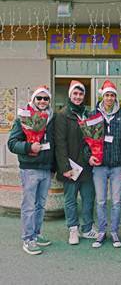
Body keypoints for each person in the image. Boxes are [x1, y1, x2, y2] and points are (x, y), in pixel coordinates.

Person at [8, 85, 55, 255]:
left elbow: (54, 144)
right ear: (33, 100)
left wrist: (54, 166)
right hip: (30, 169)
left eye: (46, 98)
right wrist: (29, 147)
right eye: (39, 98)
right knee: (29, 205)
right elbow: (12, 143)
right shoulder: (23, 118)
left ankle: (36, 233)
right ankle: (28, 239)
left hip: (46, 168)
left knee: (40, 205)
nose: (42, 101)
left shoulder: (51, 118)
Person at [55, 80, 98, 245]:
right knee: (71, 199)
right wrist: (65, 167)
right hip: (71, 167)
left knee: (88, 198)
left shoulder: (88, 114)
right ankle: (73, 229)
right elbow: (60, 143)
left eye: (81, 94)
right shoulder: (62, 115)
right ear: (70, 95)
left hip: (86, 166)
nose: (78, 97)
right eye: (75, 94)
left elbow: (92, 140)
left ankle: (87, 228)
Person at [91, 80, 121, 248]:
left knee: (115, 201)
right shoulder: (94, 114)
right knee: (100, 201)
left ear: (115, 97)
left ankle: (114, 231)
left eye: (112, 95)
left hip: (116, 166)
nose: (109, 98)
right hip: (99, 165)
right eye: (107, 95)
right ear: (102, 96)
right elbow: (88, 140)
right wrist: (89, 157)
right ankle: (101, 231)